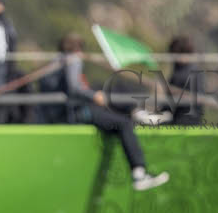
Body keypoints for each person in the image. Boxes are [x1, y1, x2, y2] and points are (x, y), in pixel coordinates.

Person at [42, 32, 169, 191]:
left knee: (108, 88)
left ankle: (136, 112)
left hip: (64, 111)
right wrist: (93, 95)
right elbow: (74, 88)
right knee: (123, 124)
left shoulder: (56, 60)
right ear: (78, 48)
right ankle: (138, 172)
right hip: (76, 112)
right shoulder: (73, 59)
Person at [165, 34, 203, 126]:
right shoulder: (196, 70)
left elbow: (171, 103)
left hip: (182, 120)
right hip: (193, 119)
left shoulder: (182, 73)